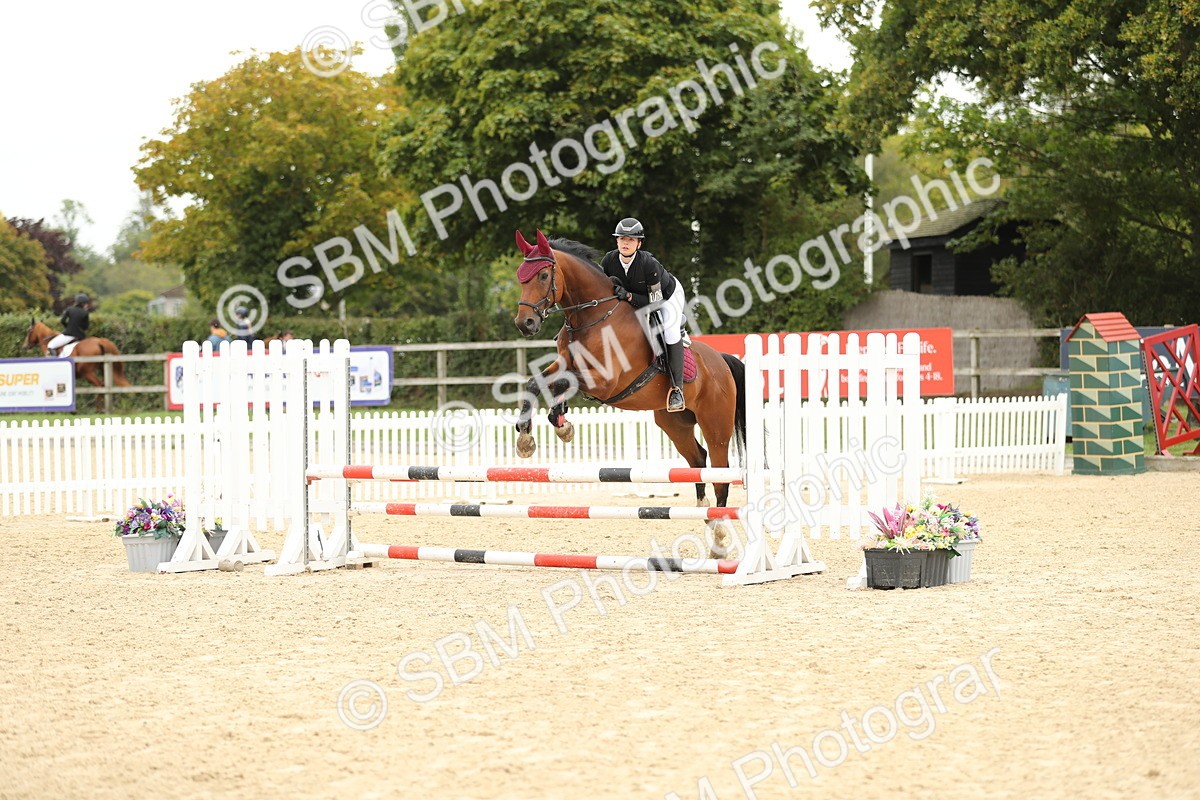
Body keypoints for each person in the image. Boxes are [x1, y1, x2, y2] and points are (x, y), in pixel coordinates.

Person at [600, 217, 688, 412]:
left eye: (631, 240)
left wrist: (629, 296)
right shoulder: (608, 260)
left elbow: (656, 303)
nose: (625, 243)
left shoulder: (648, 263)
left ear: (639, 243)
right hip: (632, 300)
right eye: (622, 238)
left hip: (666, 296)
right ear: (616, 241)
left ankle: (677, 389)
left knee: (670, 331)